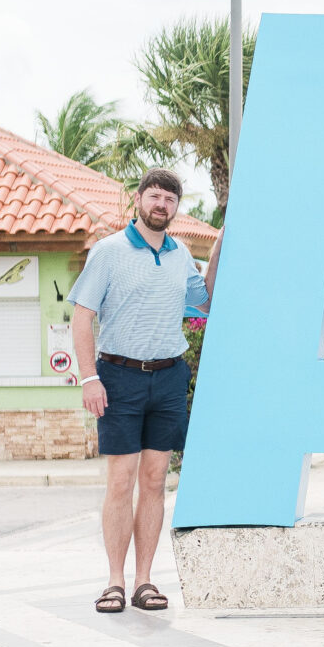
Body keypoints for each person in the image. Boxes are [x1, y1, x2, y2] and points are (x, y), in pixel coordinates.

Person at [71, 167, 210, 614]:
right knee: (121, 481)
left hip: (168, 377)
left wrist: (223, 245)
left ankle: (145, 581)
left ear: (175, 207)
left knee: (155, 481)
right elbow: (81, 316)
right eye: (154, 196)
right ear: (138, 199)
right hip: (119, 378)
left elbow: (204, 300)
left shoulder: (180, 253)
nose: (161, 206)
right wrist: (89, 377)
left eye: (169, 200)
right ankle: (114, 582)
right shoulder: (109, 252)